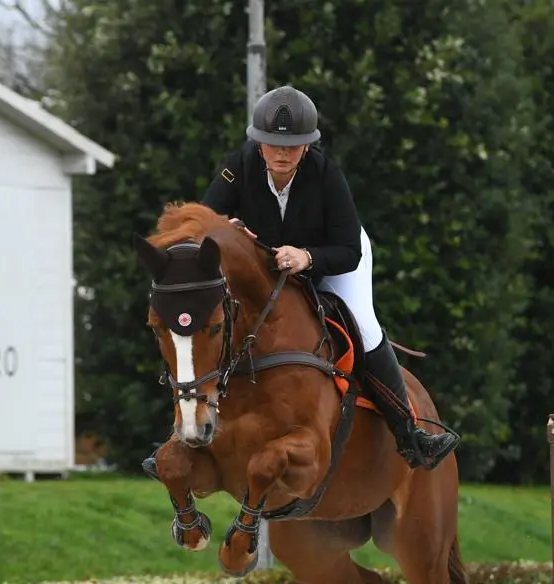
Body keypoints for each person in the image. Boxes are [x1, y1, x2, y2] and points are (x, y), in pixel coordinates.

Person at [197, 85, 460, 471]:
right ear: (258, 143)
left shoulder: (326, 175)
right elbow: (204, 221)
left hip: (333, 259)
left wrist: (307, 257)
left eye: (293, 146)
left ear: (307, 146)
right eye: (273, 144)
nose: (282, 153)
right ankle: (184, 432)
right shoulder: (238, 166)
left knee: (363, 326)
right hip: (270, 266)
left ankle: (409, 434)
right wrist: (225, 228)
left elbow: (349, 250)